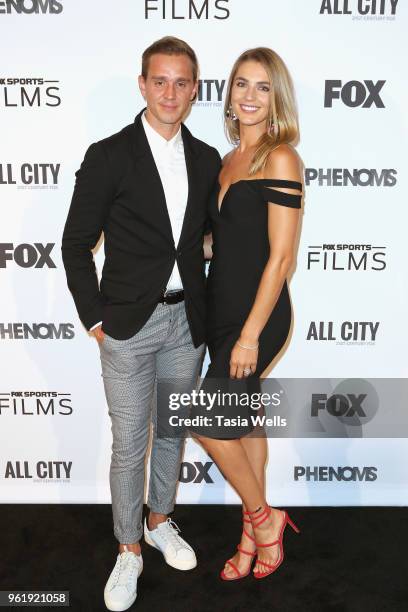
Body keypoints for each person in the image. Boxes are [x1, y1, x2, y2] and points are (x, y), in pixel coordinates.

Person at [61, 36, 221, 610]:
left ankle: (159, 521)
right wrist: (94, 320)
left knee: (173, 434)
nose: (171, 92)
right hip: (127, 324)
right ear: (142, 85)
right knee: (131, 444)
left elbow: (199, 242)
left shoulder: (206, 159)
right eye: (160, 81)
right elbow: (76, 244)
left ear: (195, 89)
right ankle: (128, 550)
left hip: (187, 324)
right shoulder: (109, 155)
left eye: (182, 82)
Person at [191, 47, 303, 580]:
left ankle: (265, 518)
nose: (250, 96)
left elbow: (281, 258)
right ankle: (249, 538)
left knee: (204, 421)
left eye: (262, 86)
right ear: (229, 94)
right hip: (221, 309)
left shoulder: (281, 158)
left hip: (257, 317)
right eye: (241, 84)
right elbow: (231, 242)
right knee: (243, 422)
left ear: (276, 96)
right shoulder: (227, 158)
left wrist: (250, 336)